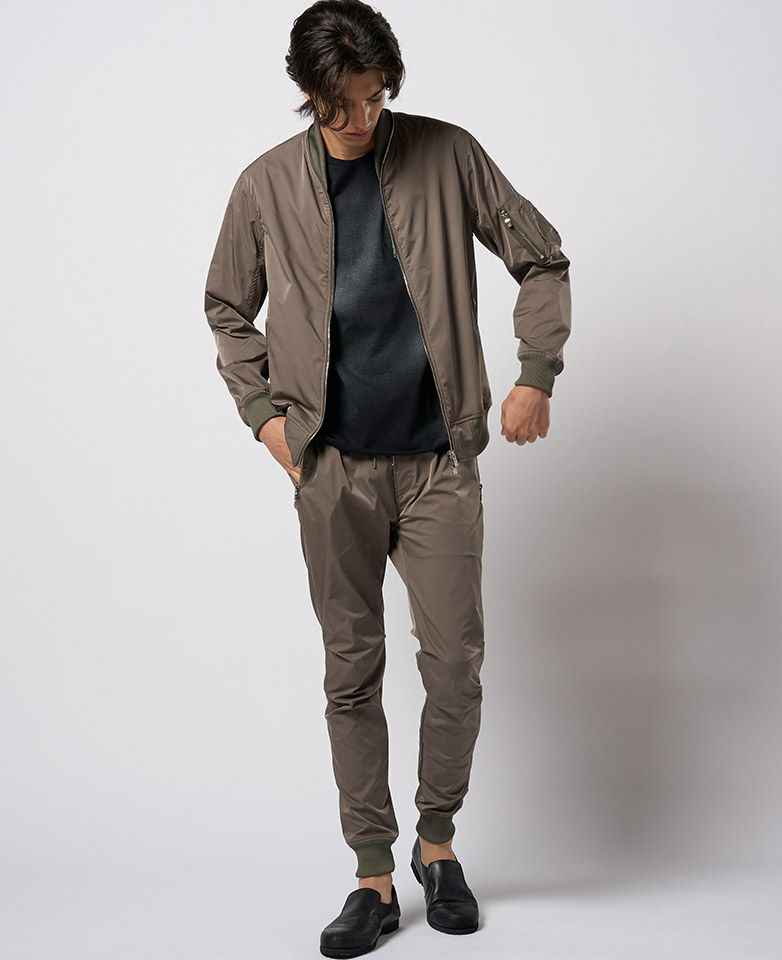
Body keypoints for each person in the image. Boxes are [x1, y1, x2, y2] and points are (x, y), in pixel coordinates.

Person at [204, 1, 571, 955]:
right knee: (351, 671)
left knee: (455, 664)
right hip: (331, 468)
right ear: (308, 94)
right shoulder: (265, 184)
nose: (363, 119)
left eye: (376, 98)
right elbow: (227, 307)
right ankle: (372, 872)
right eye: (344, 104)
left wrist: (535, 374)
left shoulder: (448, 155)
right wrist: (266, 419)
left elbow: (541, 257)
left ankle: (437, 846)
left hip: (438, 463)